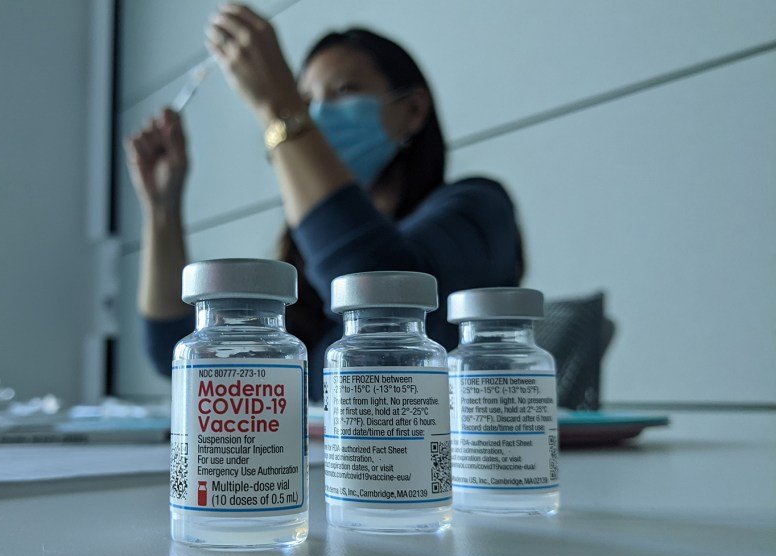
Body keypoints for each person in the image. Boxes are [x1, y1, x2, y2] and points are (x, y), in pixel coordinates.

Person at [126, 4, 524, 401]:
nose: (315, 118)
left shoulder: (478, 208)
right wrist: (162, 208)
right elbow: (180, 351)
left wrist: (279, 107)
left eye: (344, 91)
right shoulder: (310, 255)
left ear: (413, 109)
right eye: (305, 101)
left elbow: (378, 305)